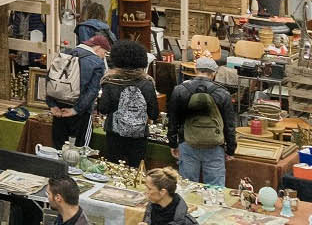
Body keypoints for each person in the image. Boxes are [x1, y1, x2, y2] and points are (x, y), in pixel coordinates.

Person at [168, 57, 236, 186]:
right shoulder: (222, 93)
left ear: (195, 69)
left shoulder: (180, 90)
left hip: (187, 143)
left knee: (187, 186)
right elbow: (229, 125)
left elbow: (173, 120)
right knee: (215, 188)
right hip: (215, 146)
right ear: (214, 73)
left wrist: (173, 143)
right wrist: (231, 149)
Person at [95, 39, 158, 168]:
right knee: (135, 170)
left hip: (115, 133)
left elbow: (103, 109)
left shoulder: (110, 82)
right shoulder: (148, 83)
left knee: (113, 168)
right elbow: (154, 113)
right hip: (139, 135)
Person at [45, 34, 109, 150]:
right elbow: (93, 91)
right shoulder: (97, 62)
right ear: (98, 48)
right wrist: (76, 110)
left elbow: (50, 78)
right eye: (104, 52)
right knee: (81, 149)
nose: (103, 56)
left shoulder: (65, 53)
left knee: (58, 148)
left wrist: (52, 105)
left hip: (59, 108)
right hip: (80, 112)